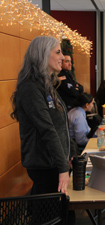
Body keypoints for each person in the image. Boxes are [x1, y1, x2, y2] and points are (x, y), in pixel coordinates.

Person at [10, 36, 71, 195]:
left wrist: (68, 156)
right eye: (58, 52)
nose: (62, 57)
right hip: (45, 166)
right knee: (51, 216)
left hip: (54, 163)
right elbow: (47, 129)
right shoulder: (30, 88)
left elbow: (60, 125)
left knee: (61, 214)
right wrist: (63, 167)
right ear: (43, 55)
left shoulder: (47, 85)